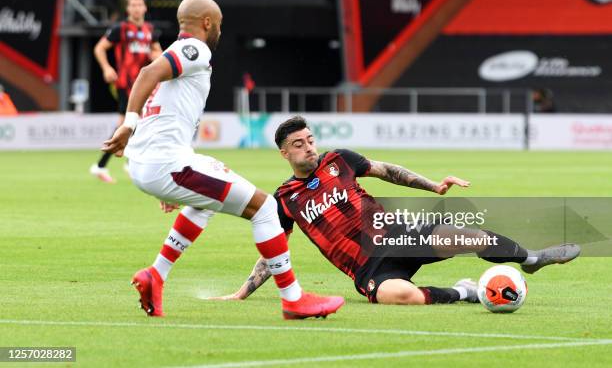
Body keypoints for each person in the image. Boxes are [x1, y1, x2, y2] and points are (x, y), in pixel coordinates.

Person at [101, 0, 344, 320]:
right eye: (218, 25)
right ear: (206, 23)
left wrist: (164, 178)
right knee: (266, 207)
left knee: (203, 201)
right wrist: (129, 126)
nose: (219, 31)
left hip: (153, 164)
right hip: (166, 165)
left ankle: (156, 274)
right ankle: (293, 299)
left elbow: (157, 102)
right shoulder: (195, 48)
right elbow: (146, 72)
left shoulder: (179, 56)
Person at [210, 116, 580, 305]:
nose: (308, 147)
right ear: (284, 154)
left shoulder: (340, 160)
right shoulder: (285, 199)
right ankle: (465, 293)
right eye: (298, 144)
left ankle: (530, 257)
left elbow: (389, 172)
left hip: (398, 232)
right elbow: (273, 251)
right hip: (369, 268)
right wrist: (243, 292)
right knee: (399, 298)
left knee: (464, 233)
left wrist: (433, 185)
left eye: (310, 140)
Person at [91, 0, 162, 183]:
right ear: (128, 8)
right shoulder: (120, 29)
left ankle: (115, 164)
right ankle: (104, 165)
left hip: (144, 84)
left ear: (145, 8)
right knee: (127, 123)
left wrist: (155, 57)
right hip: (126, 83)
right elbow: (99, 48)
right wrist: (106, 68)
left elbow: (158, 53)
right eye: (133, 5)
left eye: (139, 5)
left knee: (134, 123)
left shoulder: (150, 30)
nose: (137, 9)